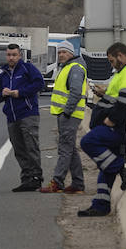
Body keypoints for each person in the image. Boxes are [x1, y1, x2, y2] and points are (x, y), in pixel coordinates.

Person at [78, 42, 126, 217]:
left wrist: (111, 120)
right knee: (106, 165)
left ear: (120, 56)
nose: (111, 64)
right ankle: (101, 204)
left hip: (123, 126)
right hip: (124, 125)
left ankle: (121, 168)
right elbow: (119, 95)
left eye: (112, 61)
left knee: (88, 142)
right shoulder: (125, 71)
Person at [0, 42, 45, 192]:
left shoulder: (27, 69)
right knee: (19, 149)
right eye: (9, 55)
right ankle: (26, 178)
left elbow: (39, 84)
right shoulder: (3, 74)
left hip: (28, 113)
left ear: (20, 55)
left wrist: (19, 92)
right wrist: (2, 93)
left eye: (14, 55)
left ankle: (36, 177)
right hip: (11, 116)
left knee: (31, 146)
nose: (11, 58)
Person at [41, 42, 88, 194]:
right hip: (65, 114)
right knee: (70, 149)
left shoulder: (75, 68)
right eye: (59, 52)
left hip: (69, 114)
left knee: (65, 149)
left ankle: (57, 182)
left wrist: (67, 112)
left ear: (71, 53)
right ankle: (78, 184)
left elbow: (75, 92)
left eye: (64, 52)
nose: (61, 54)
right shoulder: (67, 67)